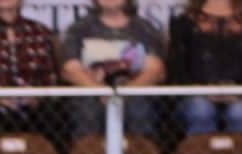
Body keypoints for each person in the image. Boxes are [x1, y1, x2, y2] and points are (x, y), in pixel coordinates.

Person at [61, 0, 168, 140]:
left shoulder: (144, 28)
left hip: (134, 93)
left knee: (139, 109)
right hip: (92, 93)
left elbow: (155, 71)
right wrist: (102, 92)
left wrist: (123, 94)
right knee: (88, 111)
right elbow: (70, 70)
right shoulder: (79, 29)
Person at [0, 0, 64, 141]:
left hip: (38, 112)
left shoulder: (40, 32)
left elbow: (52, 77)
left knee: (54, 115)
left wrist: (37, 96)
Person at [173, 0, 242, 139]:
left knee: (240, 112)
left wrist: (237, 93)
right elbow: (177, 67)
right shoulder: (184, 22)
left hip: (240, 94)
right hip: (196, 93)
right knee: (201, 109)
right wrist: (201, 89)